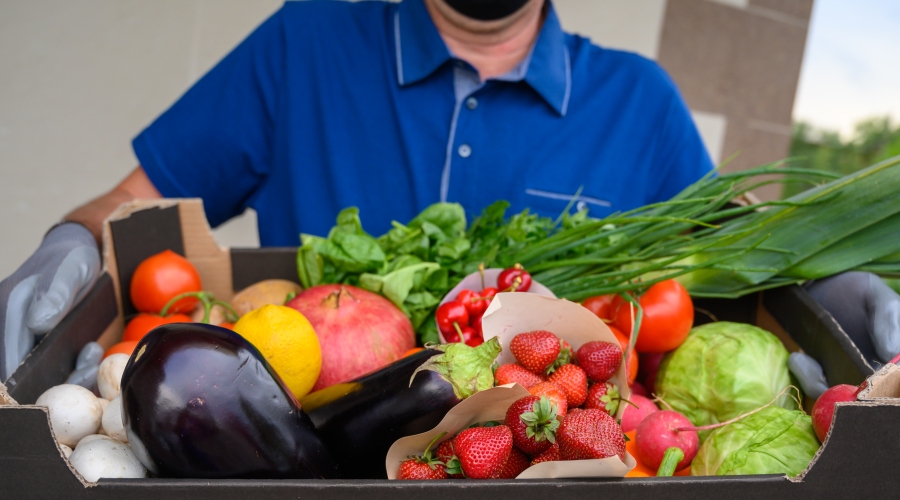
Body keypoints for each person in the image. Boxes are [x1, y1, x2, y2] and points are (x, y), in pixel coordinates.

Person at [1, 0, 895, 388]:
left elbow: (741, 249)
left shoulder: (639, 100)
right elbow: (128, 206)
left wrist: (824, 283)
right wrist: (72, 243)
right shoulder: (303, 45)